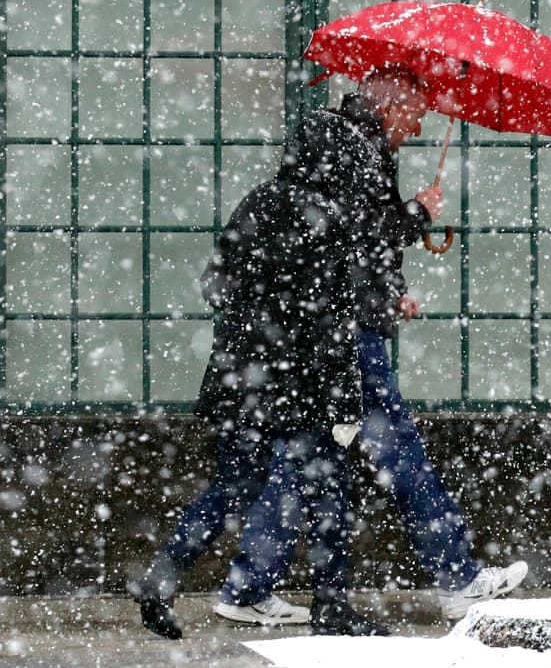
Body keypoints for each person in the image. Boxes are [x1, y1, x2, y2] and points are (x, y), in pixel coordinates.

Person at [212, 67, 526, 627]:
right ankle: (457, 578)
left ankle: (247, 587)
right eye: (415, 114)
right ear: (390, 105)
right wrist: (417, 215)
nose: (418, 126)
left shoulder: (350, 143)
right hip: (344, 332)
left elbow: (349, 243)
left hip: (340, 322)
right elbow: (348, 231)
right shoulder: (349, 146)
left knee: (305, 456)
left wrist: (391, 295)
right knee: (395, 447)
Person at [130, 85, 394, 639]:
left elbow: (214, 284)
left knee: (232, 487)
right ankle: (331, 606)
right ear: (342, 164)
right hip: (303, 388)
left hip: (242, 380)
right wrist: (346, 400)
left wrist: (257, 321)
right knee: (329, 492)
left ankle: (162, 577)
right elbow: (333, 323)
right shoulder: (331, 219)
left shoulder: (260, 199)